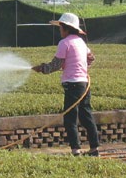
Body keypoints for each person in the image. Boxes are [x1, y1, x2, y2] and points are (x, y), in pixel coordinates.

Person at [32, 13, 100, 156]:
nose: (60, 31)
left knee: (69, 118)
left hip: (72, 85)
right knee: (86, 115)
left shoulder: (64, 43)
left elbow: (56, 64)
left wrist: (42, 68)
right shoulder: (81, 42)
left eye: (61, 28)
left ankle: (76, 150)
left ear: (67, 28)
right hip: (84, 83)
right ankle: (94, 149)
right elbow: (91, 58)